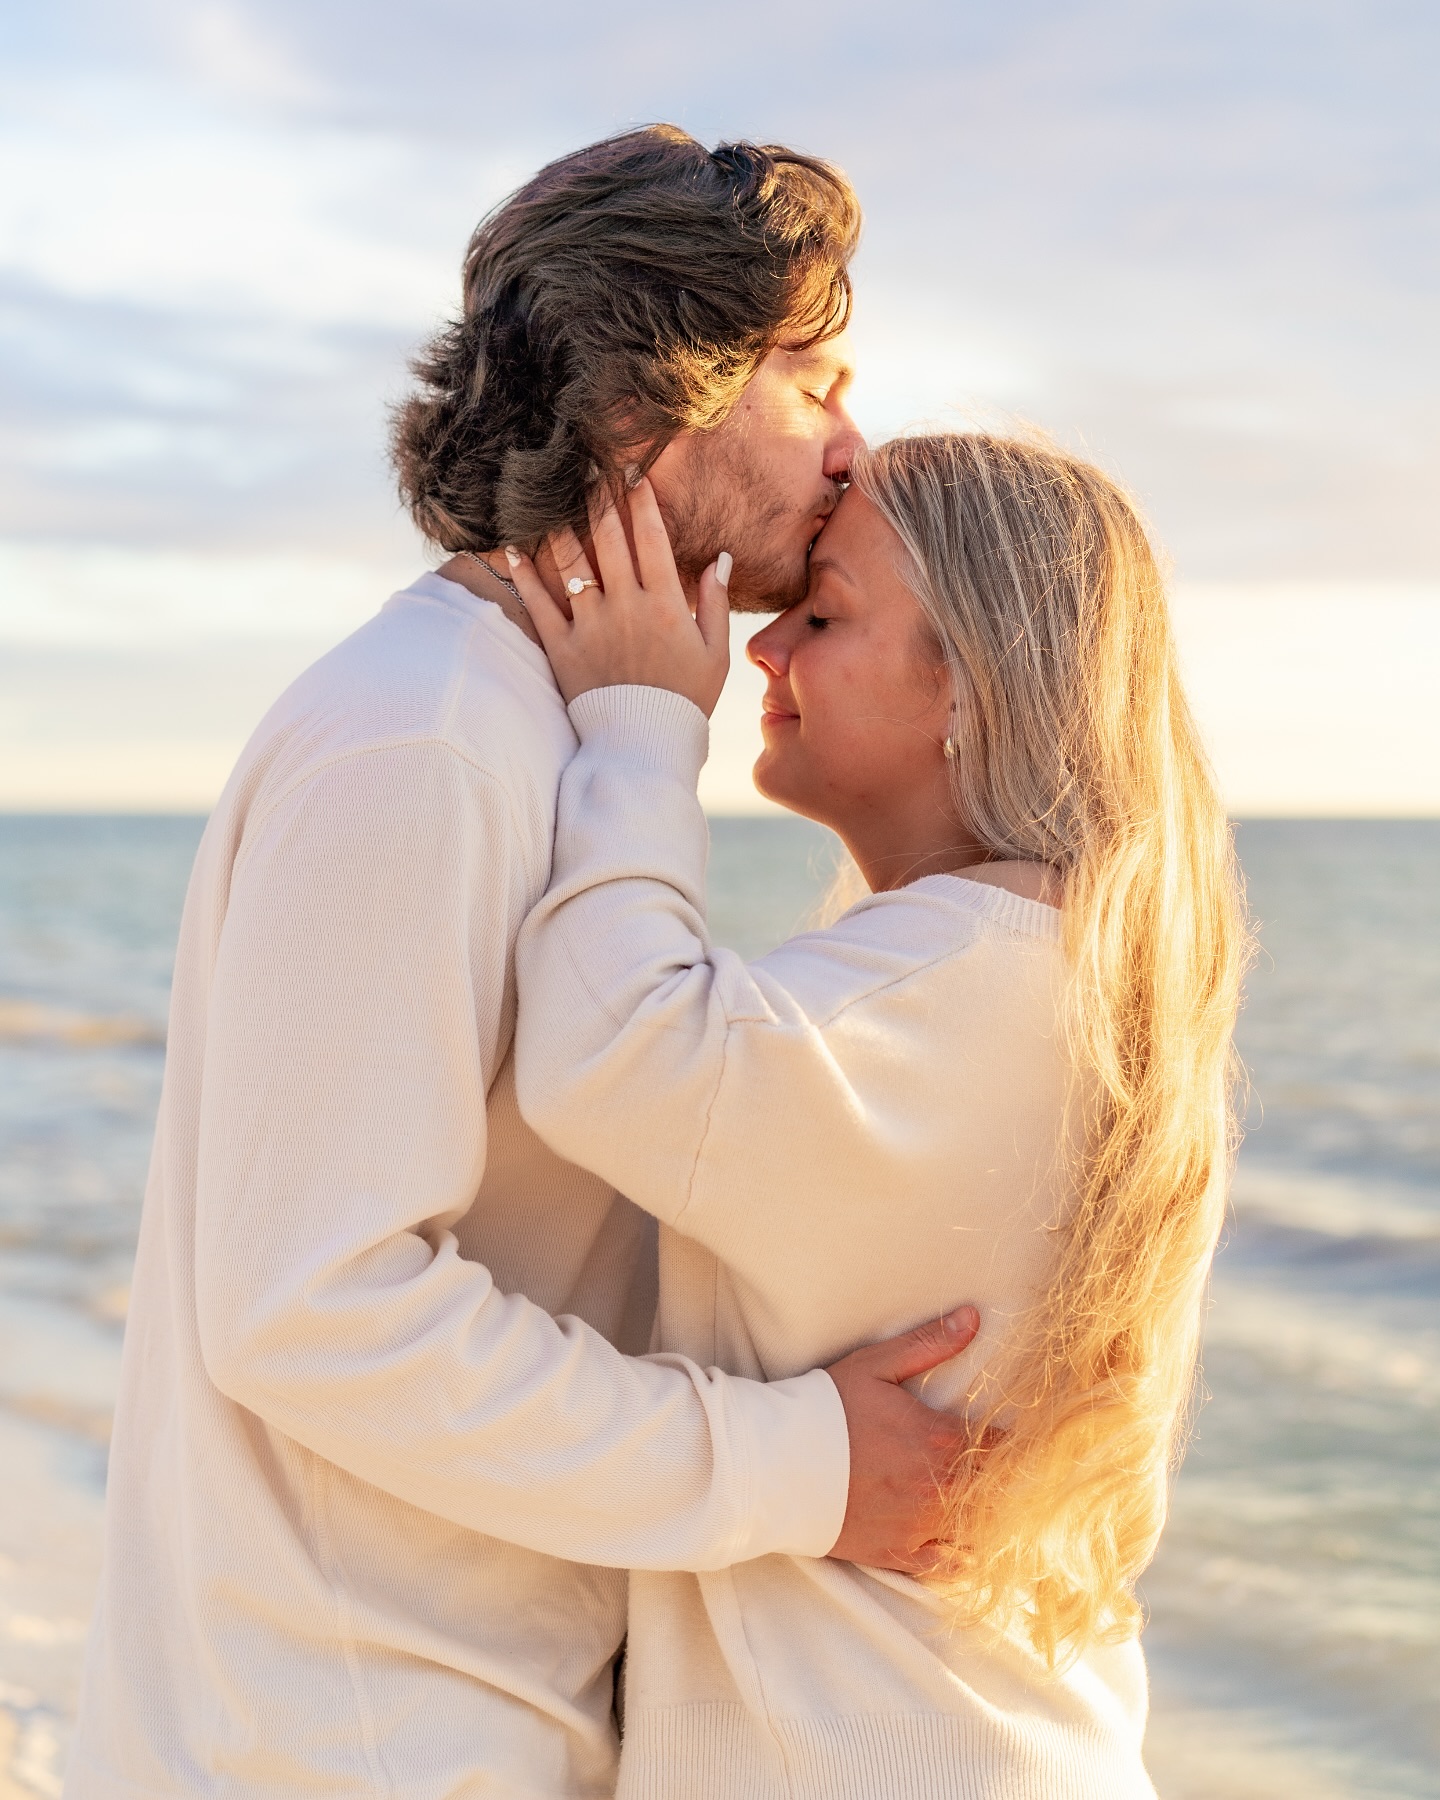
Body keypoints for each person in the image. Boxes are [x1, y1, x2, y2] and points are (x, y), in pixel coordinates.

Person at [66, 130, 982, 1800]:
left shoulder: (540, 726)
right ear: (662, 393)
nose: (854, 446)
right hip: (355, 1747)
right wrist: (804, 1462)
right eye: (812, 378)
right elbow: (314, 1307)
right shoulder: (429, 739)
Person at [507, 431, 1248, 1798]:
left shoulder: (965, 977)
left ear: (969, 681)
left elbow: (608, 1050)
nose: (765, 652)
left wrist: (637, 722)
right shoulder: (1053, 972)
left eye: (824, 614)